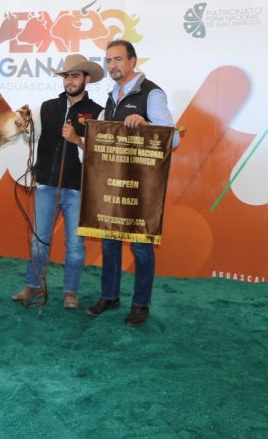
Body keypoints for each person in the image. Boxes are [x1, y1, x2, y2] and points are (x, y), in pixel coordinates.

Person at [85, 39, 180, 326]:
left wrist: (147, 123)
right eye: (108, 60)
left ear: (132, 61)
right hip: (113, 183)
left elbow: (173, 138)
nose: (112, 65)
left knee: (140, 247)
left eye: (117, 59)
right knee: (109, 242)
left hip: (141, 186)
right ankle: (110, 296)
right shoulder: (112, 96)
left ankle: (141, 304)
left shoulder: (151, 94)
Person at [12, 54, 104, 309]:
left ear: (86, 78)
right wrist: (25, 126)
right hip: (46, 184)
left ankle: (70, 292)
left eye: (75, 76)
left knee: (75, 244)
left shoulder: (98, 112)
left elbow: (100, 155)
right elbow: (31, 139)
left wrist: (78, 140)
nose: (70, 81)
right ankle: (33, 285)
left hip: (77, 187)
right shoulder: (47, 107)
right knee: (39, 240)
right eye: (66, 76)